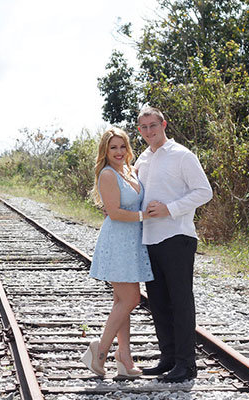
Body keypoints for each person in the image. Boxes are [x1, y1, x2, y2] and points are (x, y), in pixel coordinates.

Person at [135, 107, 212, 383]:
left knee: (180, 302)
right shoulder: (142, 159)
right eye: (143, 127)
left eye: (153, 125)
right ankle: (167, 358)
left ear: (163, 124)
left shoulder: (182, 155)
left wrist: (172, 208)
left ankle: (186, 364)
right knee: (157, 302)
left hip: (177, 236)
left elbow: (204, 191)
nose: (148, 131)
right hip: (149, 238)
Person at [81, 128, 154, 378]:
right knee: (131, 299)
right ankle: (99, 351)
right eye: (113, 148)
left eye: (122, 146)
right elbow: (114, 212)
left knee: (122, 301)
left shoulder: (130, 170)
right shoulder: (108, 175)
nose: (119, 152)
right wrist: (146, 216)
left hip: (132, 241)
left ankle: (124, 358)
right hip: (117, 241)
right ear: (106, 151)